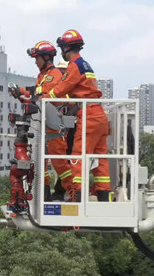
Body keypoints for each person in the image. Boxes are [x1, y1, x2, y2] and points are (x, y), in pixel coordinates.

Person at [48, 29, 112, 202]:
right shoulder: (86, 64)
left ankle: (79, 197)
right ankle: (104, 195)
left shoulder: (74, 65)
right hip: (99, 115)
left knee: (78, 157)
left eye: (62, 47)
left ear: (67, 47)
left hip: (89, 115)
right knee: (100, 159)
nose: (62, 51)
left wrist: (44, 99)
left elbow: (62, 88)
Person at [26, 41, 73, 201]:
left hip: (55, 126)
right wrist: (20, 92)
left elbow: (45, 96)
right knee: (39, 161)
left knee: (59, 162)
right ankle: (44, 194)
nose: (35, 61)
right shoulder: (43, 76)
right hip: (44, 125)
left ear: (46, 57)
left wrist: (30, 96)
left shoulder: (54, 75)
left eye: (37, 58)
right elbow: (36, 94)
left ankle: (74, 193)